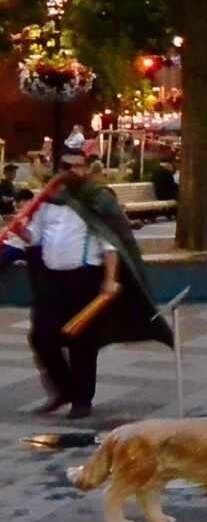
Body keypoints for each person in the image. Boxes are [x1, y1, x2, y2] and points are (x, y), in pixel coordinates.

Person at [0, 135, 172, 416]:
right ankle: (64, 388)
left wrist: (110, 278)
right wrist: (20, 230)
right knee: (41, 336)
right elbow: (35, 239)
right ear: (60, 169)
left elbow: (109, 243)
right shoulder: (47, 202)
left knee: (82, 340)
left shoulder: (96, 200)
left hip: (85, 277)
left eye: (79, 166)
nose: (74, 172)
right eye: (68, 166)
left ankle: (81, 400)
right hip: (52, 279)